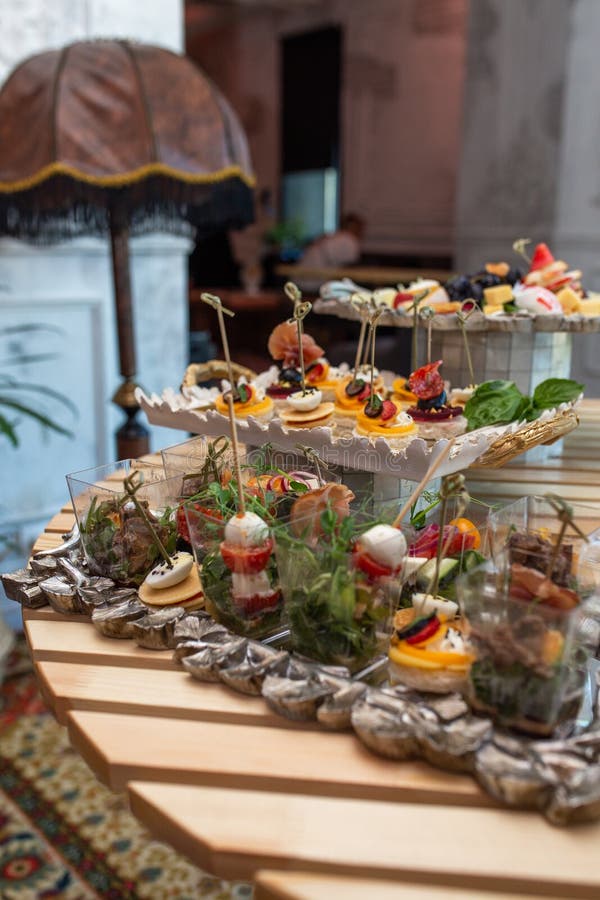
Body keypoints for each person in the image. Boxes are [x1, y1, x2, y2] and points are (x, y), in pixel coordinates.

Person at [300, 212, 365, 270]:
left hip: (307, 265)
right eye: (359, 227)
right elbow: (351, 268)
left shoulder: (335, 236)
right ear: (352, 226)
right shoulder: (350, 240)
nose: (360, 231)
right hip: (316, 269)